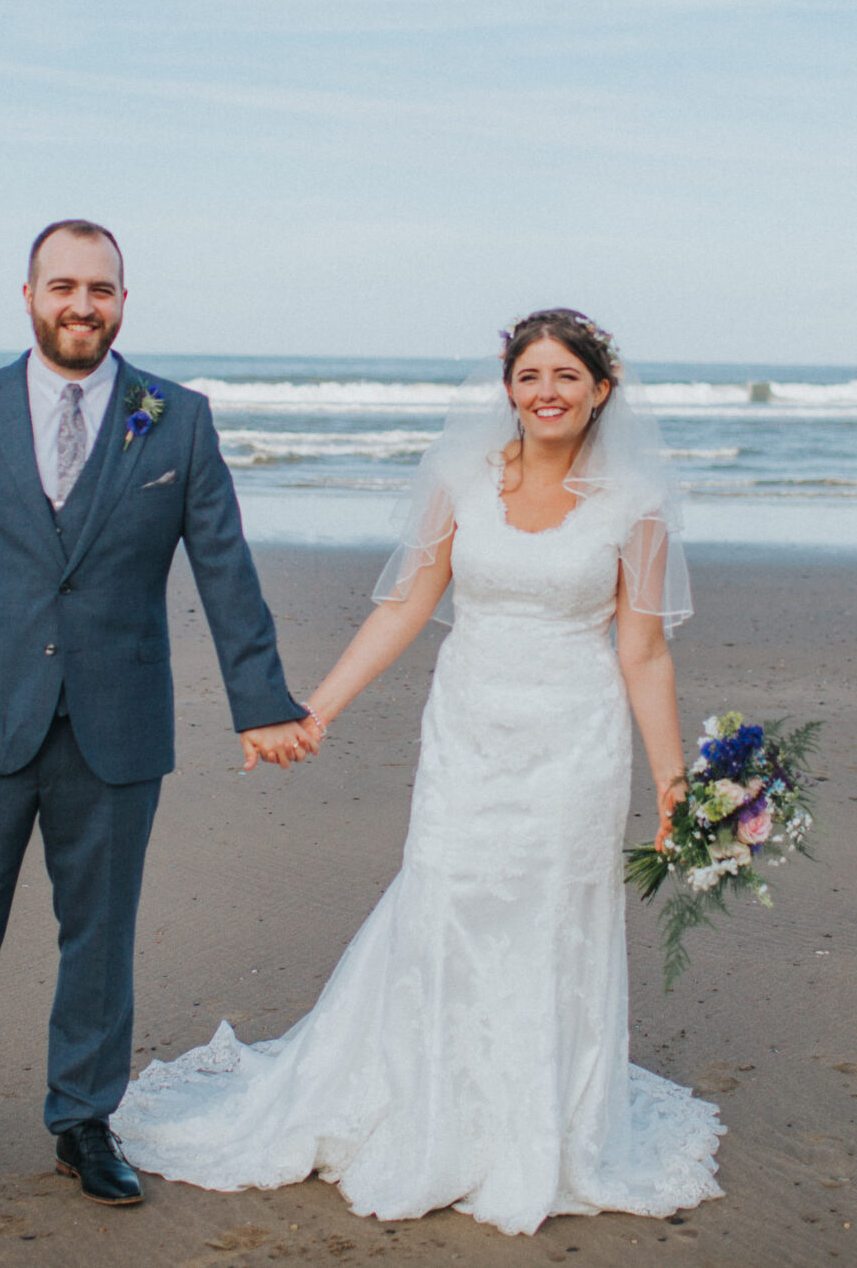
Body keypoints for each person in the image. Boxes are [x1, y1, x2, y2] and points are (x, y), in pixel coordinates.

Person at [109, 309, 725, 1235]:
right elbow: (405, 608)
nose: (546, 391)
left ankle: (536, 1129)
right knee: (447, 898)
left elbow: (642, 652)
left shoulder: (635, 501)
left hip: (574, 741)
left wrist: (675, 783)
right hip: (469, 730)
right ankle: (427, 1110)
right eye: (529, 376)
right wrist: (315, 709)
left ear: (602, 388)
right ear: (508, 388)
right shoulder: (458, 479)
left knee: (554, 914)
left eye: (566, 375)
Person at [0, 220, 320, 1211]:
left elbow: (222, 565)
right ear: (28, 295)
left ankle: (82, 1122)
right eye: (63, 286)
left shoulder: (175, 417)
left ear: (123, 303)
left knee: (97, 933)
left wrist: (260, 700)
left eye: (100, 289)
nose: (81, 305)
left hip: (117, 719)